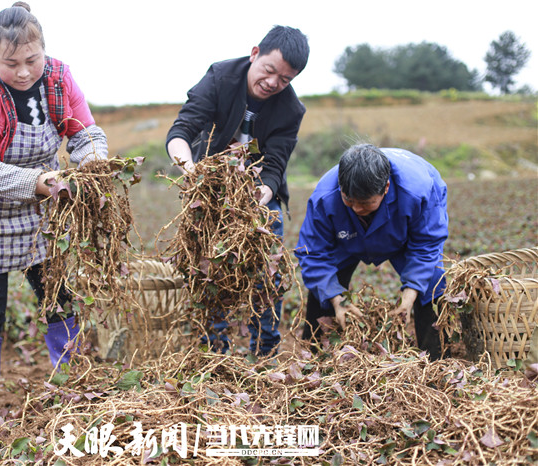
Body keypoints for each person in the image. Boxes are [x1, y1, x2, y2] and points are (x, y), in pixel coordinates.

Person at [0, 2, 108, 428]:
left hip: (40, 199)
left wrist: (92, 165)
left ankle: (72, 385)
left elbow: (83, 132)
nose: (22, 72)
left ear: (44, 51)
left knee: (56, 293)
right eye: (10, 63)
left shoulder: (58, 78)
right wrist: (41, 182)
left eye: (31, 60)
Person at [165, 25, 309, 356]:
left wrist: (262, 196)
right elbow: (182, 130)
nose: (274, 83)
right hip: (211, 191)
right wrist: (191, 171)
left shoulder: (291, 110)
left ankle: (265, 351)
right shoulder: (220, 78)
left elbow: (274, 167)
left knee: (268, 275)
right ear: (255, 53)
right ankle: (215, 352)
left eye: (285, 79)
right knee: (209, 271)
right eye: (270, 70)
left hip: (259, 198)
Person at [295, 143, 448, 360]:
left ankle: (435, 360)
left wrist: (410, 294)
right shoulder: (325, 197)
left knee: (430, 284)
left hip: (401, 228)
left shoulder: (418, 191)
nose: (357, 208)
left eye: (365, 203)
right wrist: (338, 300)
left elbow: (426, 244)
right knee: (324, 288)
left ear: (385, 188)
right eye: (348, 199)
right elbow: (313, 253)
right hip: (346, 234)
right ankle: (315, 358)